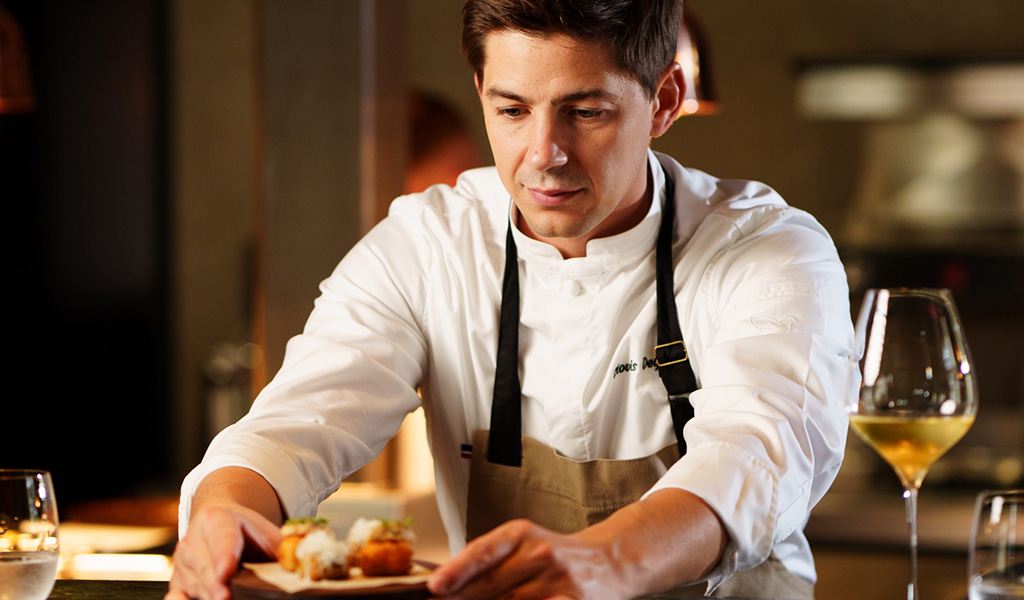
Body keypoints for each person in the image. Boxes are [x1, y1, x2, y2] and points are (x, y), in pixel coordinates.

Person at [166, 1, 855, 599]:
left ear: (666, 100)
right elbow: (296, 424)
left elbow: (758, 452)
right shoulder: (428, 244)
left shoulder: (769, 248)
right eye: (512, 110)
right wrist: (226, 510)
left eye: (586, 111)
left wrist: (605, 562)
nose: (543, 154)